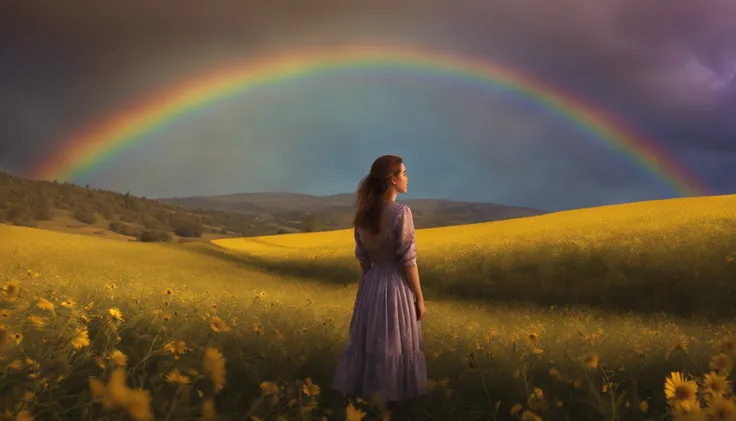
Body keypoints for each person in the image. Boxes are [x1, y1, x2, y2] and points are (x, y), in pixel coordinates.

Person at [332, 155, 428, 416]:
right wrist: (419, 297)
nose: (408, 178)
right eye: (404, 173)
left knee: (374, 346)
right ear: (393, 179)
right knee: (393, 345)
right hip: (395, 287)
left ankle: (375, 408)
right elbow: (408, 260)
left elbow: (364, 264)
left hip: (372, 287)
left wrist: (360, 297)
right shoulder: (401, 213)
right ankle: (390, 410)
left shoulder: (364, 216)